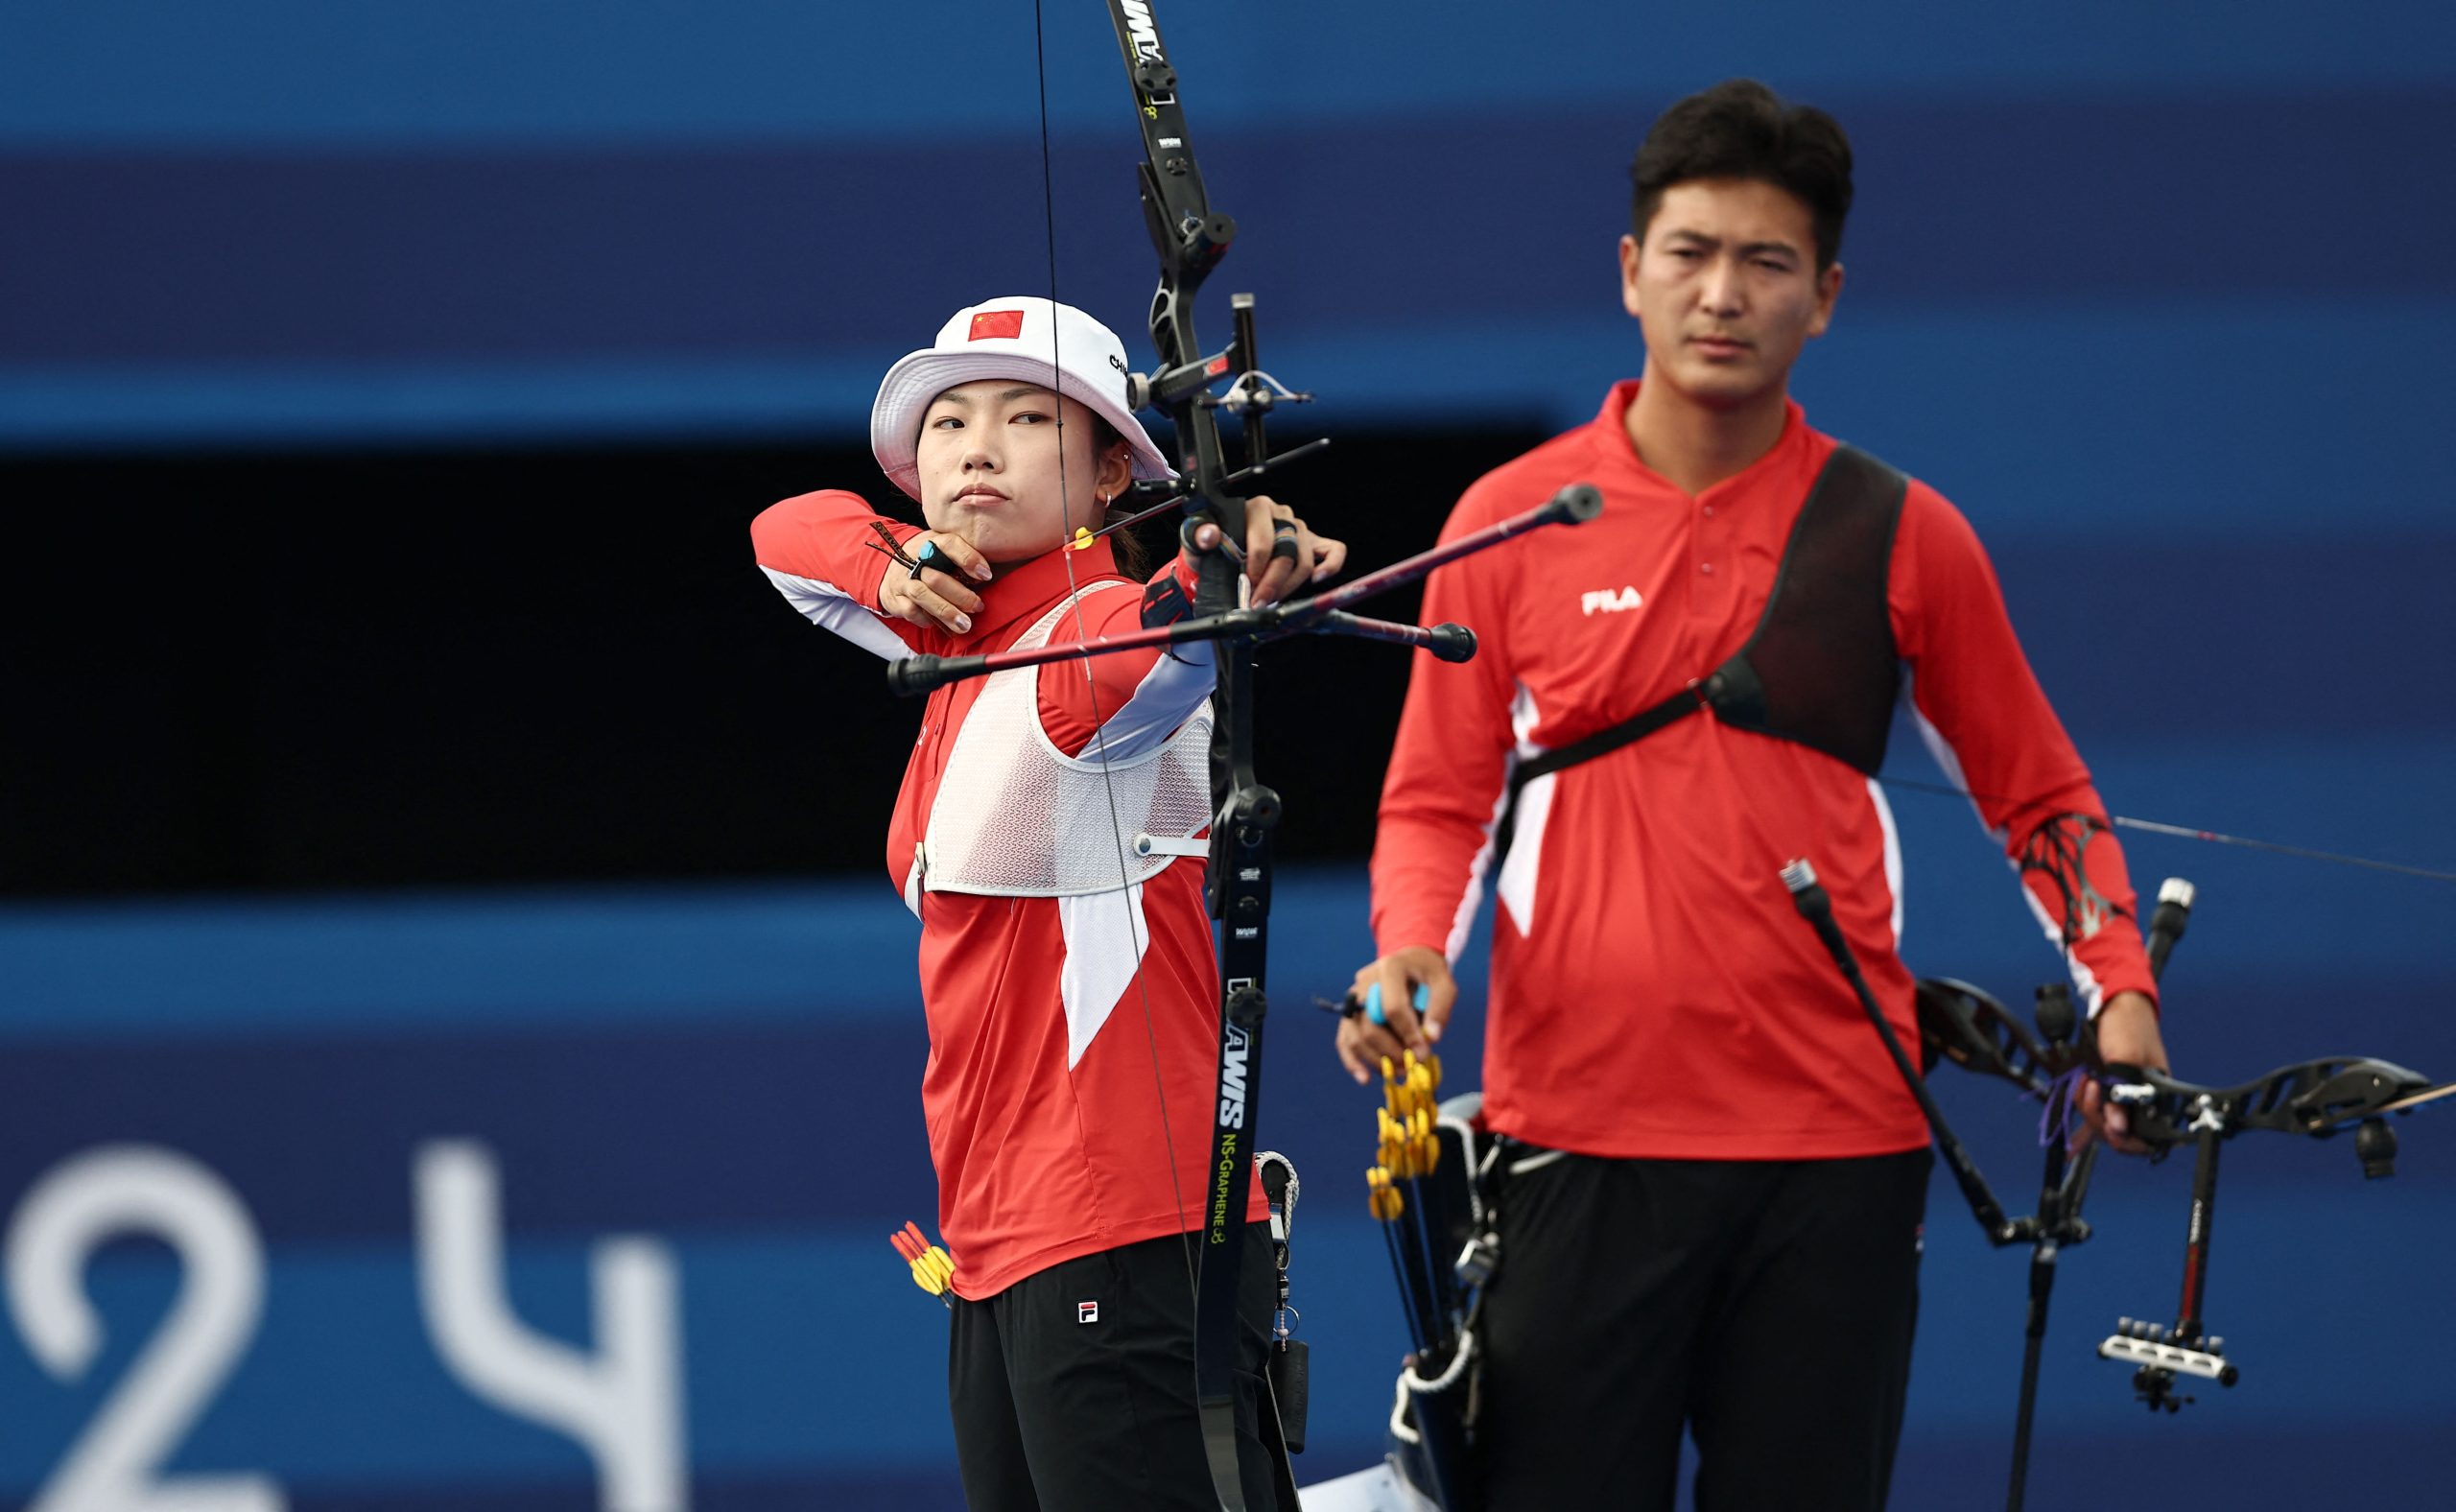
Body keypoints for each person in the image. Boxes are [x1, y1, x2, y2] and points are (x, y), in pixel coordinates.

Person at [1335, 82, 2173, 1510]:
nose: (1723, 294)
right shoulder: (1512, 517)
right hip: (1577, 1143)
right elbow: (1433, 801)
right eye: (1691, 252)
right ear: (1629, 270)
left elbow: (2038, 791)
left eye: (1768, 263)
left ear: (1826, 296)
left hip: (1836, 1155)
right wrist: (1414, 946)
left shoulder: (1904, 533)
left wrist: (2122, 988)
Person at [751, 295, 1342, 1510]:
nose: (977, 447)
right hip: (997, 1250)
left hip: (1120, 1235)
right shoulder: (966, 635)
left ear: (1116, 467)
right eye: (951, 421)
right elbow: (781, 530)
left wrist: (1219, 563)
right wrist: (889, 566)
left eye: (1030, 419)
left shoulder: (1081, 640)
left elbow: (1163, 629)